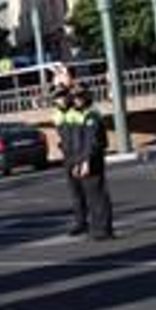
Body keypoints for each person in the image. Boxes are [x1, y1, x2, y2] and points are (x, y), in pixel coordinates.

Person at [54, 70, 115, 240]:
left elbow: (91, 142)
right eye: (75, 97)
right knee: (90, 195)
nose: (77, 99)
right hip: (79, 158)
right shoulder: (77, 115)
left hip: (92, 159)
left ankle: (104, 229)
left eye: (80, 96)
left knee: (97, 195)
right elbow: (75, 141)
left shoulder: (91, 115)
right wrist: (76, 162)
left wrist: (85, 161)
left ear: (86, 97)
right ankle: (96, 229)